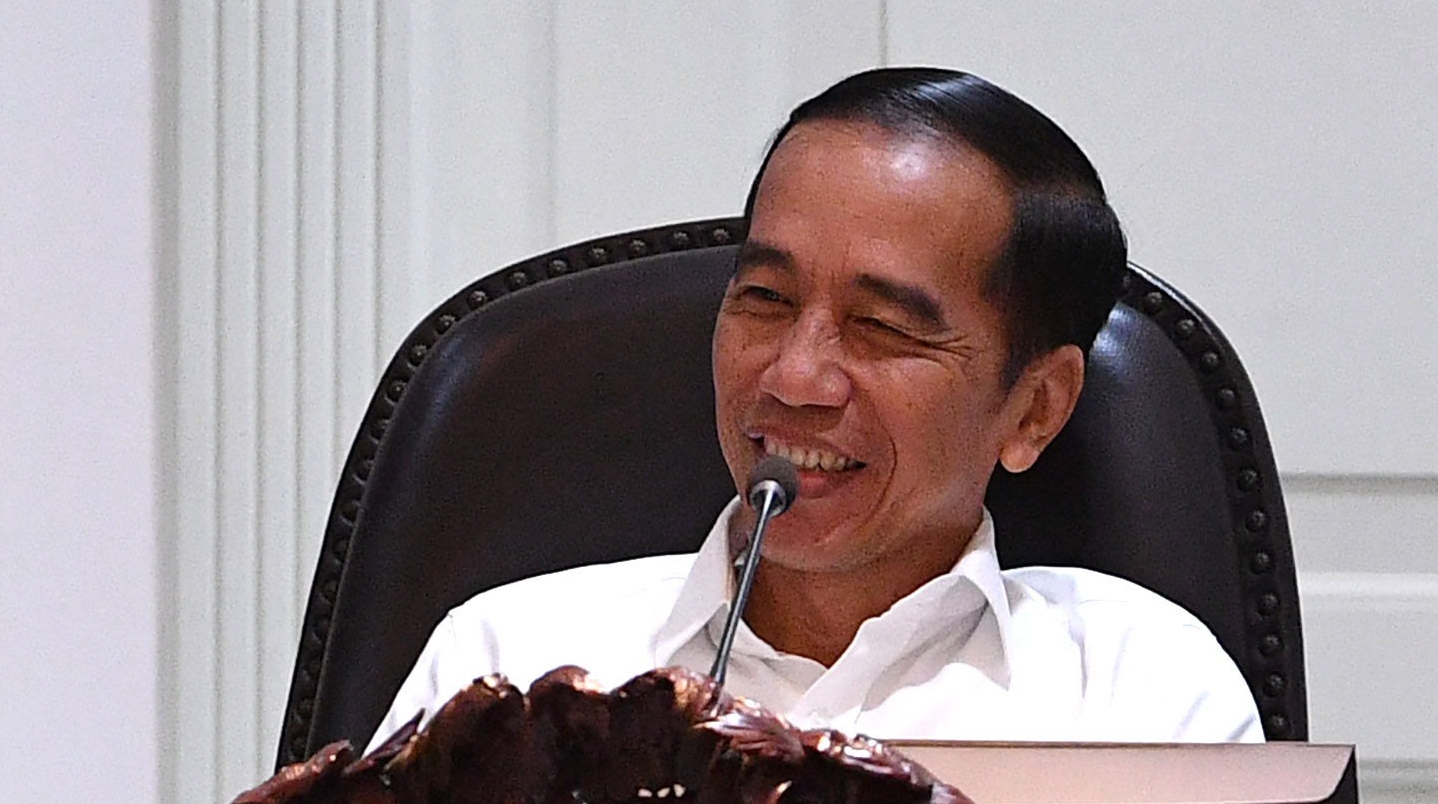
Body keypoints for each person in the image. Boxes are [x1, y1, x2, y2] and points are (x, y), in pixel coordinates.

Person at [375, 68, 1259, 746]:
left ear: (1033, 409)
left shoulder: (1134, 694)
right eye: (763, 299)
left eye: (880, 327)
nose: (795, 378)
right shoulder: (511, 668)